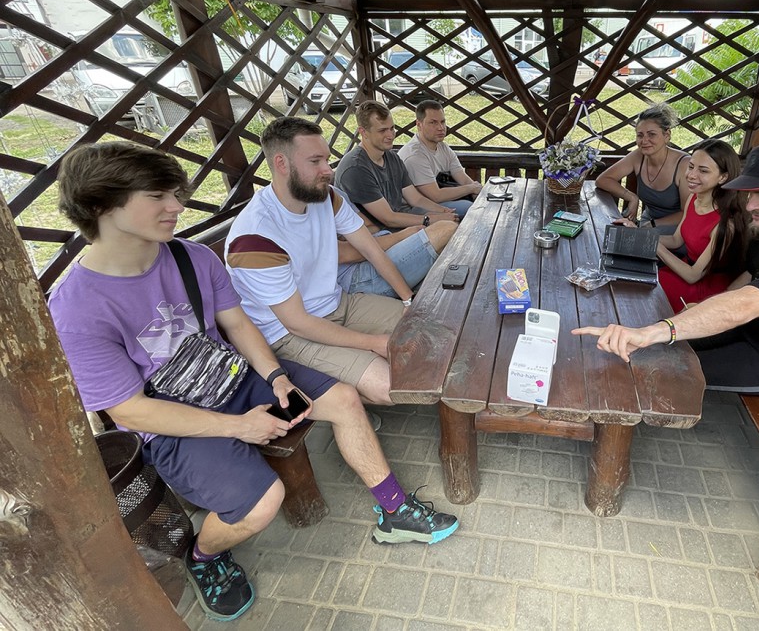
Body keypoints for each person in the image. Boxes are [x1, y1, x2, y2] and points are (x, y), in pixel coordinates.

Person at [49, 142, 459, 623]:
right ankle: (204, 556)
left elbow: (239, 325)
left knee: (344, 399)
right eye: (158, 195)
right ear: (100, 205)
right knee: (263, 503)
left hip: (234, 377)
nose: (176, 206)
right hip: (174, 421)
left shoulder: (190, 258)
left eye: (175, 193)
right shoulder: (77, 307)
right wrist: (239, 428)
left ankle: (393, 512)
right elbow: (130, 412)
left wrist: (277, 376)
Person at [575, 141, 759, 395]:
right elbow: (750, 274)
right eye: (750, 193)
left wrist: (656, 331)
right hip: (756, 329)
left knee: (666, 368)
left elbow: (746, 304)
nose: (751, 204)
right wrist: (704, 308)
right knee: (652, 350)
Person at [225, 117, 420, 408]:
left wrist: (408, 300)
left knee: (423, 329)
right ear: (281, 164)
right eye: (315, 161)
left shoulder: (326, 197)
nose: (328, 170)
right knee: (391, 386)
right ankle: (341, 400)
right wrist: (373, 343)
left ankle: (351, 378)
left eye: (327, 159)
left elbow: (373, 250)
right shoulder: (255, 237)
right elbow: (298, 323)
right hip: (288, 334)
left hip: (338, 304)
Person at [335, 99, 461, 231]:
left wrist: (444, 211)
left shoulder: (392, 157)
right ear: (363, 132)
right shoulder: (355, 168)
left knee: (456, 222)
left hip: (403, 221)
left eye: (392, 128)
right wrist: (430, 220)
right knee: (447, 231)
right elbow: (388, 219)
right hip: (380, 235)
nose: (390, 135)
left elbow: (416, 199)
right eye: (382, 130)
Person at [651, 139, 746, 312]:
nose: (691, 175)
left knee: (650, 298)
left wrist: (656, 247)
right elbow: (675, 240)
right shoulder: (694, 199)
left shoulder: (725, 224)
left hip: (705, 287)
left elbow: (693, 275)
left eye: (703, 171)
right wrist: (641, 235)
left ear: (723, 177)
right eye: (691, 166)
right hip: (682, 268)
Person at [595, 103, 691, 234]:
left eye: (651, 134)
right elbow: (603, 179)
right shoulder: (638, 156)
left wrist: (651, 225)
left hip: (677, 230)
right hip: (647, 224)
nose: (644, 141)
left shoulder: (684, 164)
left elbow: (687, 213)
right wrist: (632, 197)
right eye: (640, 135)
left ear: (667, 135)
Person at [398, 99, 482, 218]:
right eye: (433, 123)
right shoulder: (414, 155)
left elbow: (463, 179)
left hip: (439, 200)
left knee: (483, 202)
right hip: (416, 210)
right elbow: (436, 195)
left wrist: (476, 192)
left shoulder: (443, 147)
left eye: (443, 122)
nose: (441, 127)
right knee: (470, 208)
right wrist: (471, 188)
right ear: (419, 125)